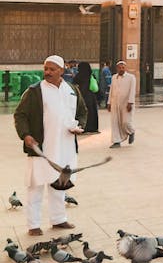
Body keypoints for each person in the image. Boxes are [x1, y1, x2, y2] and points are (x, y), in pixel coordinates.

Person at [13, 54, 86, 236]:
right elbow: (20, 115)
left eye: (52, 69)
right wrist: (26, 135)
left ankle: (58, 219)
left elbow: (82, 112)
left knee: (59, 185)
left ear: (62, 71)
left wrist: (80, 126)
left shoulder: (71, 90)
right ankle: (33, 224)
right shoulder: (35, 91)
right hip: (41, 149)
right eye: (46, 68)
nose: (47, 72)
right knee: (35, 186)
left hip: (65, 148)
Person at [108, 59, 136, 147]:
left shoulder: (131, 78)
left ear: (125, 68)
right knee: (115, 122)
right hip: (115, 102)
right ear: (117, 68)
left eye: (123, 67)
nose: (121, 69)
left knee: (125, 122)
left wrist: (130, 102)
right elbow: (111, 90)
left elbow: (132, 91)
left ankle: (131, 132)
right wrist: (109, 102)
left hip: (126, 103)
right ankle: (116, 141)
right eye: (120, 68)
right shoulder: (113, 77)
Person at [73, 61, 100, 133]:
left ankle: (84, 127)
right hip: (91, 97)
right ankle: (93, 128)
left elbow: (74, 85)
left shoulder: (78, 76)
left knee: (83, 112)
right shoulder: (91, 75)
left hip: (82, 96)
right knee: (92, 112)